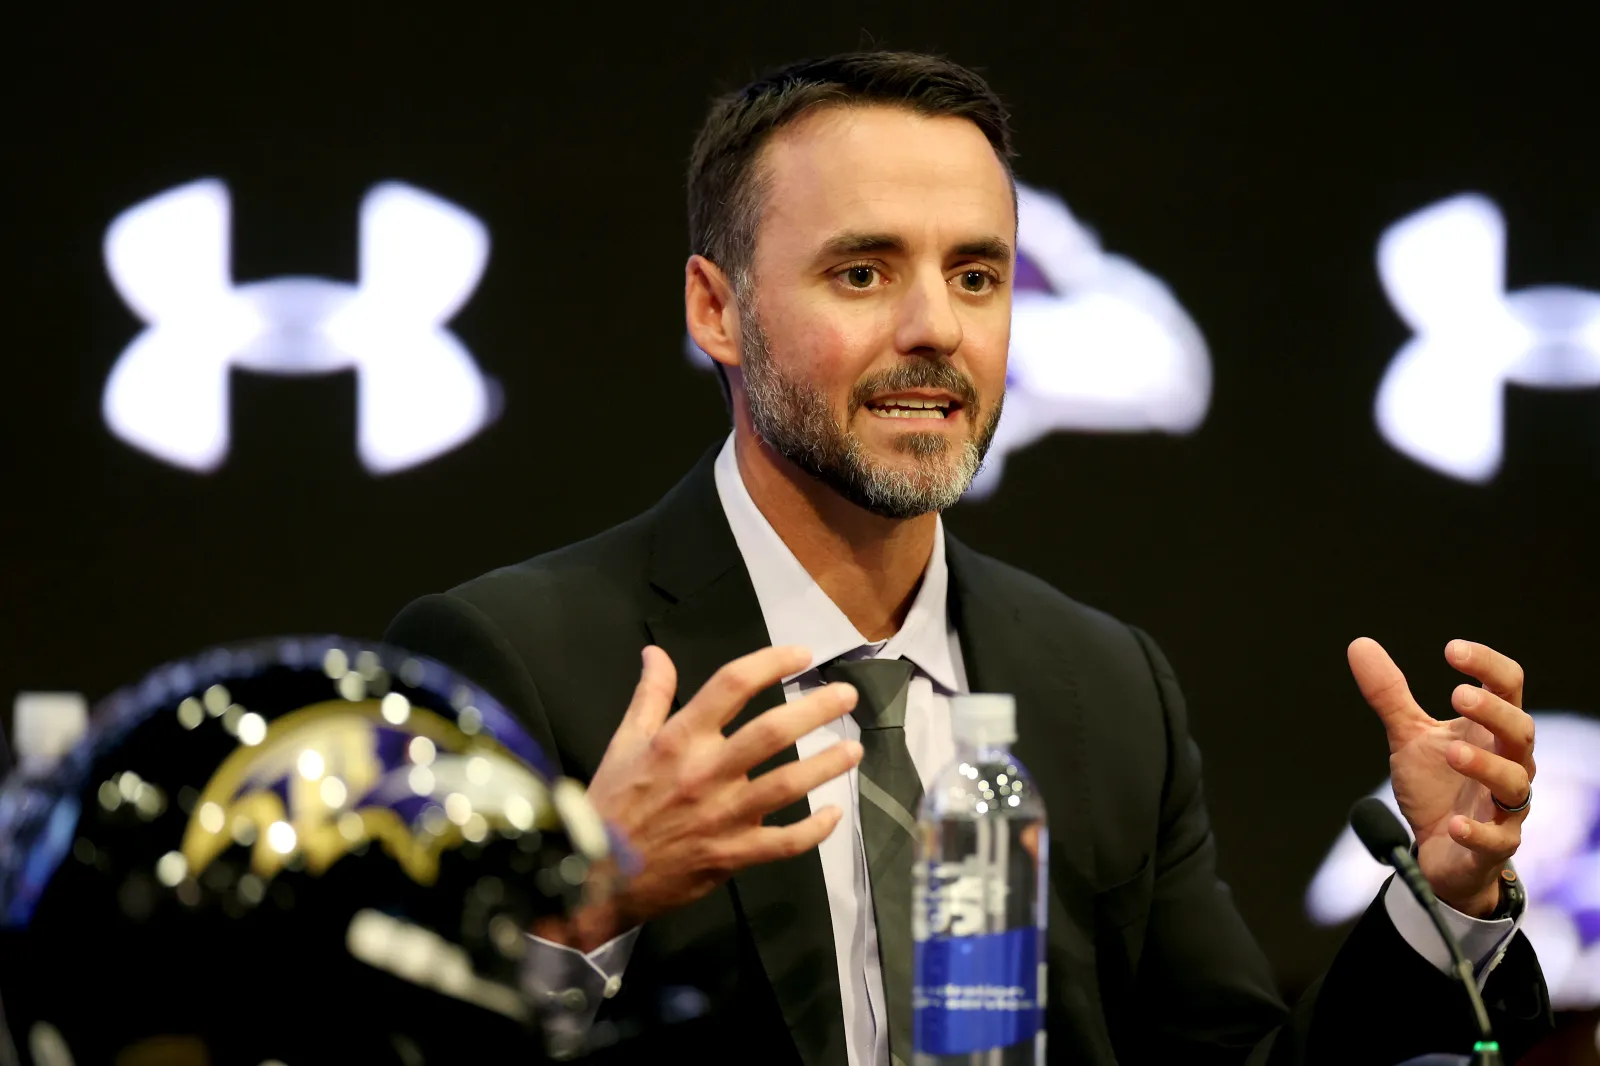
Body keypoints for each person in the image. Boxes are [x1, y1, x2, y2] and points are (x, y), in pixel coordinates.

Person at [388, 52, 1552, 1064]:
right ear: (716, 307)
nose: (936, 327)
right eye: (862, 272)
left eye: (977, 275)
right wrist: (591, 901)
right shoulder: (512, 660)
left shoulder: (1102, 686)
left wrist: (1439, 898)